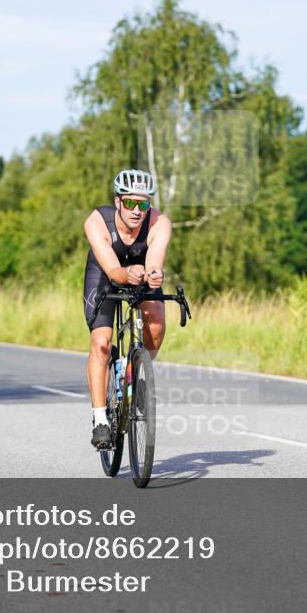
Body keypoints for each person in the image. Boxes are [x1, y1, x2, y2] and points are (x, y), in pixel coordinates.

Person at [83, 169, 172, 449]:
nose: (137, 211)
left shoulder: (159, 223)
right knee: (102, 344)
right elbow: (112, 270)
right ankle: (100, 420)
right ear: (118, 201)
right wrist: (126, 273)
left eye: (143, 204)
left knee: (155, 322)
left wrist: (155, 274)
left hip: (140, 272)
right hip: (105, 273)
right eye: (130, 203)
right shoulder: (97, 222)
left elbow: (154, 261)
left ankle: (139, 374)